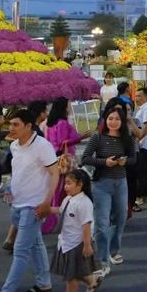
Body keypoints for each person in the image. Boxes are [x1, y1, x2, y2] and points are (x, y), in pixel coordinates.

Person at [0, 110, 61, 292]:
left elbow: (55, 173)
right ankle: (44, 282)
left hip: (34, 206)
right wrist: (9, 189)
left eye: (16, 124)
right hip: (16, 204)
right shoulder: (15, 146)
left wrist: (47, 201)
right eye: (11, 124)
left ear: (28, 126)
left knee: (20, 252)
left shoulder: (42, 146)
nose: (11, 128)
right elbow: (16, 171)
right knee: (36, 243)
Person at [81, 103, 138, 273]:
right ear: (105, 120)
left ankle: (114, 250)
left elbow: (134, 159)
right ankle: (103, 260)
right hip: (101, 184)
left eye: (117, 119)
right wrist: (104, 162)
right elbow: (85, 158)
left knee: (120, 218)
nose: (113, 122)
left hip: (121, 183)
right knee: (101, 223)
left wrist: (124, 161)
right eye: (110, 119)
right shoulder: (97, 138)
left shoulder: (128, 139)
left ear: (122, 121)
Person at [47, 170, 102, 292]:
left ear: (80, 185)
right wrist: (47, 210)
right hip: (65, 241)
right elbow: (61, 211)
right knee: (73, 269)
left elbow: (86, 225)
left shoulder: (84, 203)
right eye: (65, 183)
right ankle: (92, 280)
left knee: (71, 276)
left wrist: (87, 245)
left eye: (69, 183)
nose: (65, 186)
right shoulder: (68, 199)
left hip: (76, 243)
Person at [42, 98, 91, 233]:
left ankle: (51, 222)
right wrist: (80, 138)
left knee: (55, 191)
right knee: (62, 192)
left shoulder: (50, 123)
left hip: (53, 158)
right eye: (69, 105)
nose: (70, 108)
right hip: (64, 161)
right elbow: (62, 142)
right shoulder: (62, 123)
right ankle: (55, 222)